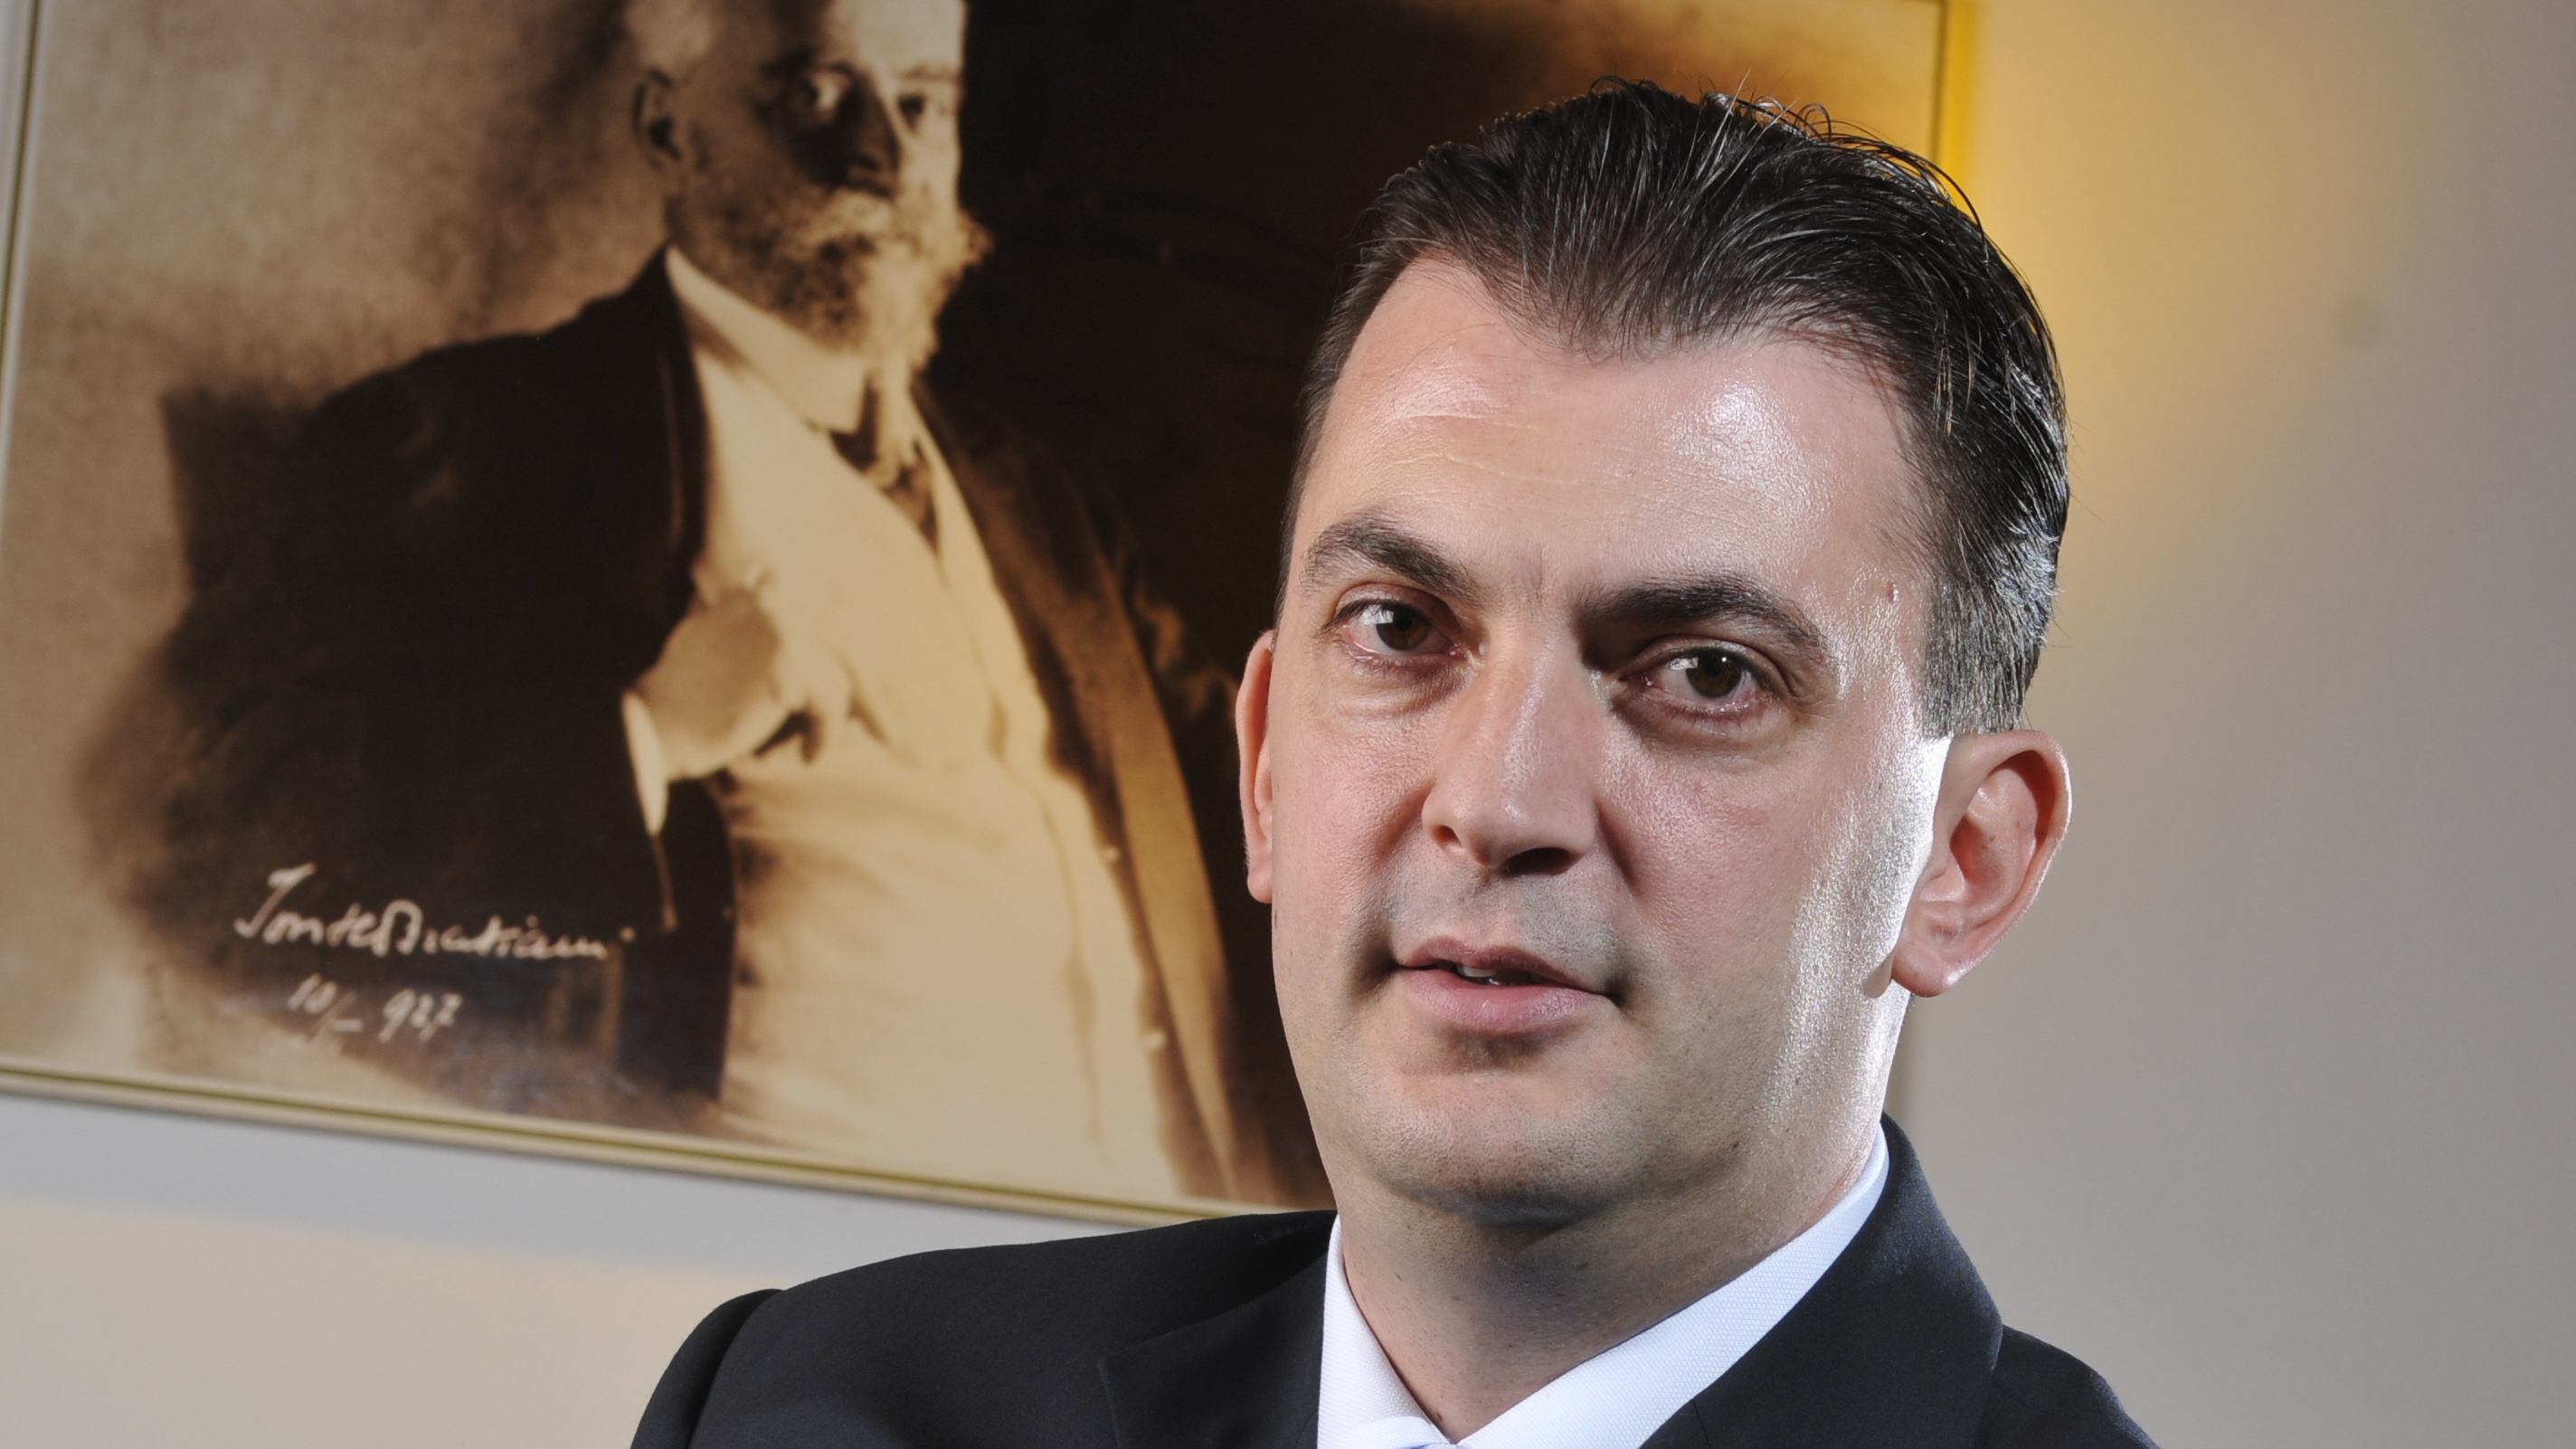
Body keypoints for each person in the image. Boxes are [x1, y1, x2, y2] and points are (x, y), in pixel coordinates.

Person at [630, 80, 2157, 1447]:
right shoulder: (807, 1408)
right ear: (1263, 766)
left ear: (1964, 861)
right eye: (1402, 628)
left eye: (1706, 672)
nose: (1494, 804)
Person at [133, 0, 1296, 1204]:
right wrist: (641, 735)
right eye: (815, 95)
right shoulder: (466, 442)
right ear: (668, 129)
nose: (885, 157)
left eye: (924, 103)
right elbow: (228, 818)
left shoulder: (1044, 497)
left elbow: (1262, 780)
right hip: (801, 1237)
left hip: (1170, 1218)